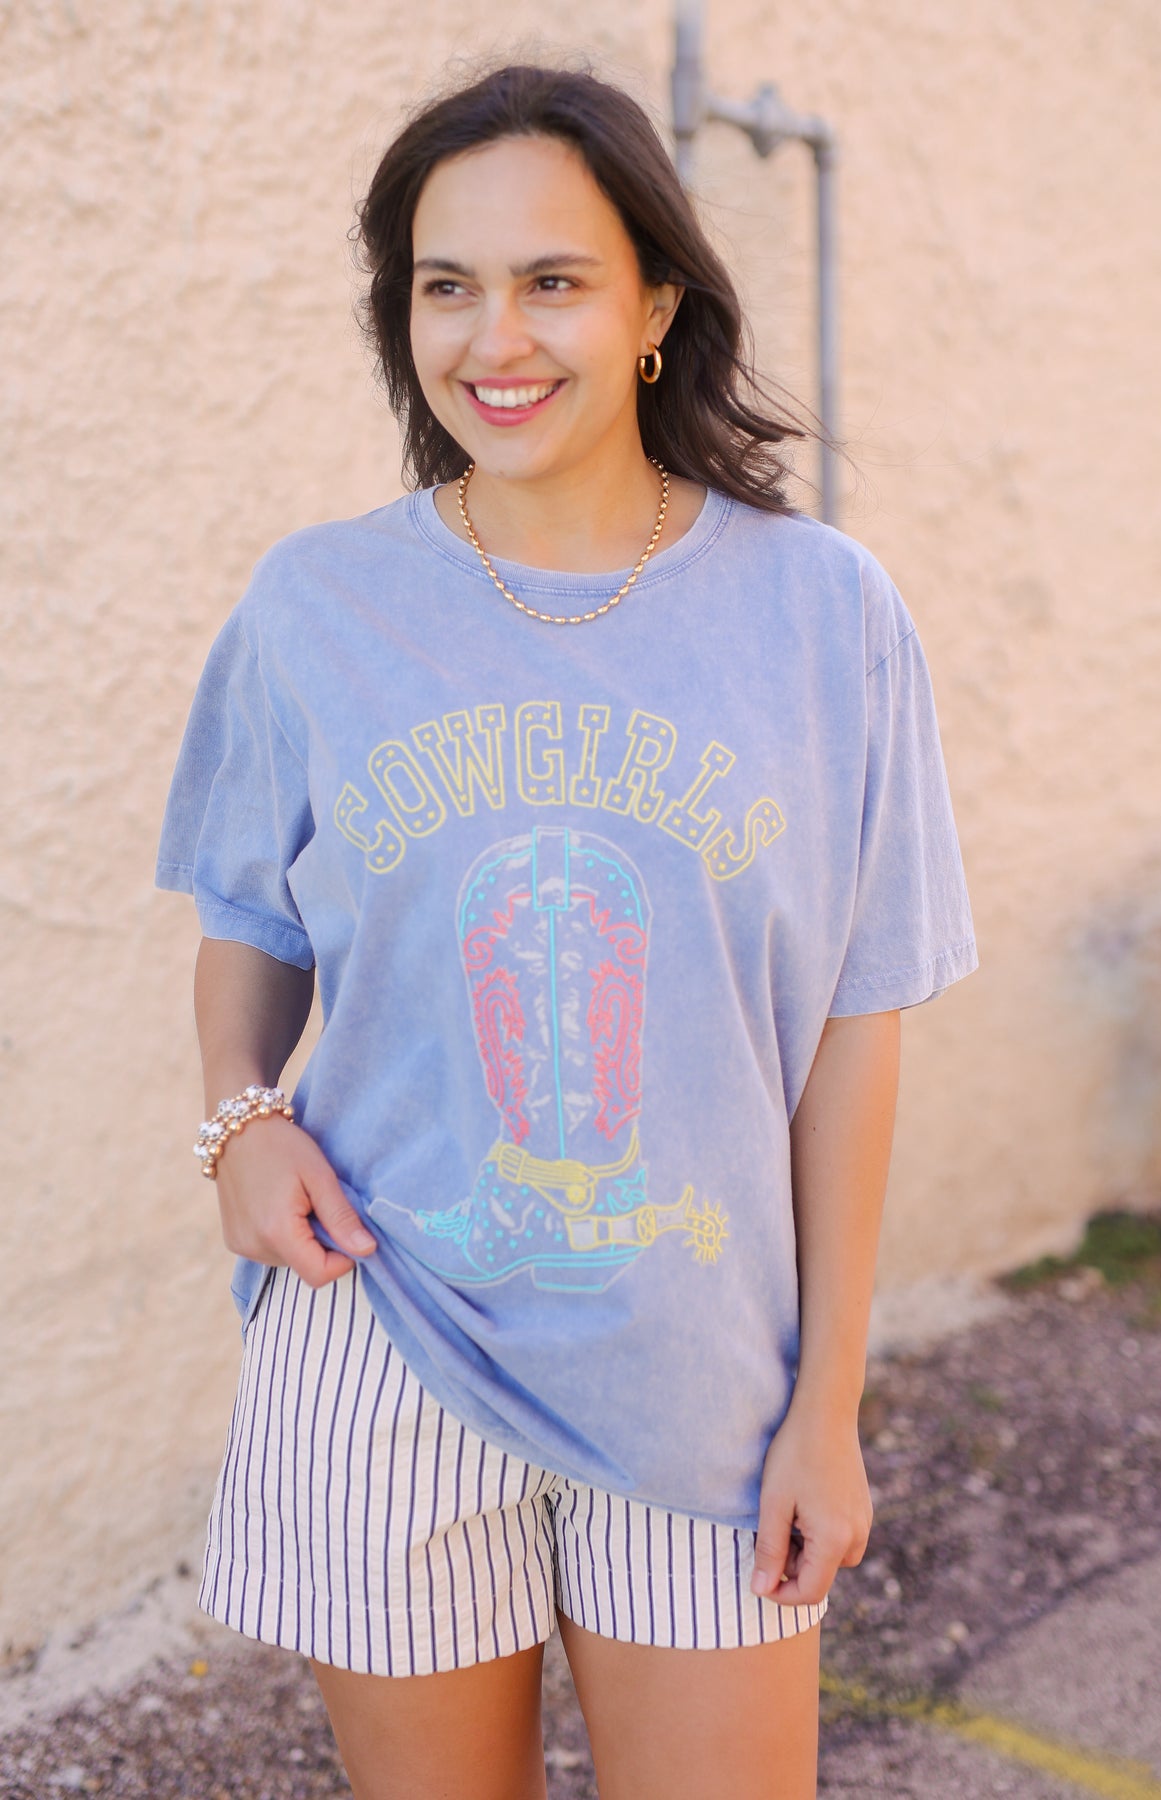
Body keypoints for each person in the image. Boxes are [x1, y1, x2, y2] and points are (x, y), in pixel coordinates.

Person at [155, 61, 976, 1800]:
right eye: (444, 285)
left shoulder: (822, 614)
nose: (493, 338)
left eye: (552, 280)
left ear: (656, 305)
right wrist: (240, 1113)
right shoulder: (319, 605)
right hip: (378, 1330)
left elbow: (852, 1026)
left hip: (704, 1366)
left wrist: (828, 1402)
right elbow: (248, 912)